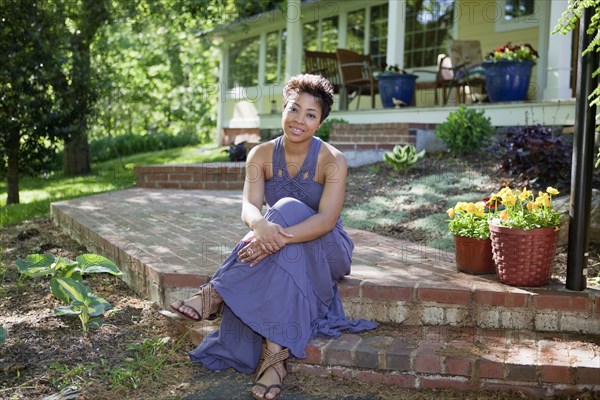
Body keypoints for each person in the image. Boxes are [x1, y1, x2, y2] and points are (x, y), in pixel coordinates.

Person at [170, 74, 378, 400]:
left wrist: (274, 234)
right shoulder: (260, 155)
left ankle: (216, 291)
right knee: (279, 238)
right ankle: (274, 359)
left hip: (327, 249)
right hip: (284, 247)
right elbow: (250, 207)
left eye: (310, 114)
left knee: (285, 209)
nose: (299, 120)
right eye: (294, 109)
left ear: (320, 122)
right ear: (283, 109)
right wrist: (260, 226)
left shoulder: (332, 160)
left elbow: (326, 220)